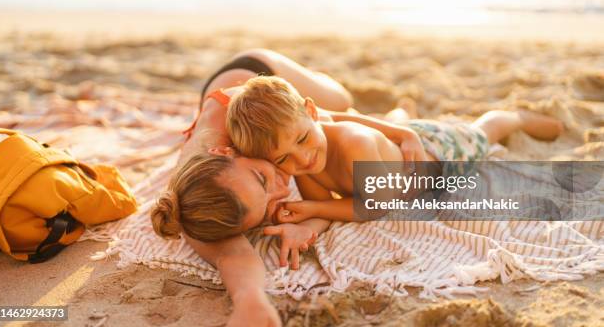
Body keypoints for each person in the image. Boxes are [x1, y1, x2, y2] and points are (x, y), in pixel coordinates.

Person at [150, 49, 422, 327]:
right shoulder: (201, 202)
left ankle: (399, 116)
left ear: (225, 152)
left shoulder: (222, 137)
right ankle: (396, 118)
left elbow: (329, 118)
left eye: (260, 177)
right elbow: (230, 253)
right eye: (268, 207)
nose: (282, 189)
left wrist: (401, 132)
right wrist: (251, 299)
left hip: (257, 71)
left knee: (343, 100)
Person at [225, 75, 564, 228]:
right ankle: (400, 116)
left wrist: (309, 206)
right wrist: (307, 215)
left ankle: (514, 116)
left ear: (312, 113)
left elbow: (375, 207)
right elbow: (331, 208)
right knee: (390, 128)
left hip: (439, 154)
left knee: (482, 133)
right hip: (393, 147)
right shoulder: (308, 156)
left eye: (301, 140)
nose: (302, 160)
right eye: (283, 159)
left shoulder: (354, 143)